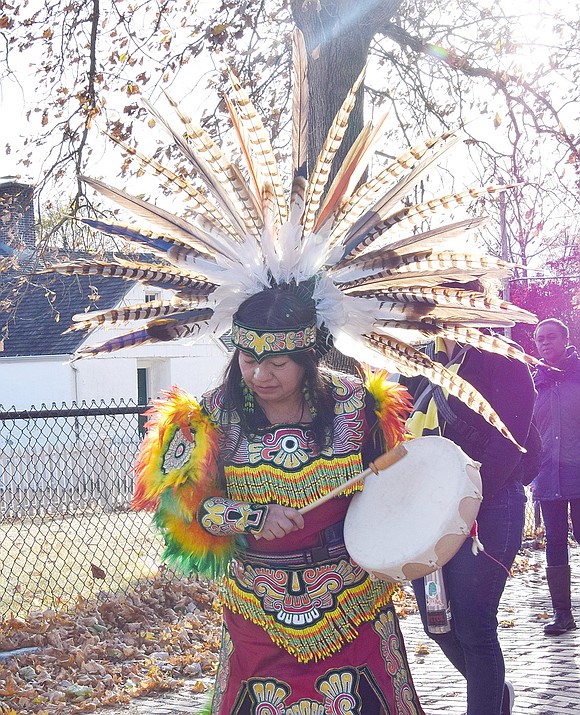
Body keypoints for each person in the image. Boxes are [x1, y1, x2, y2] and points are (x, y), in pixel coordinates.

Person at [133, 284, 425, 715]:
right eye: (249, 361)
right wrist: (251, 516)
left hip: (354, 600)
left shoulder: (358, 404)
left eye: (278, 363)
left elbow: (392, 489)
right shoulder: (208, 416)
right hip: (257, 606)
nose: (259, 376)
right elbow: (183, 510)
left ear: (308, 359)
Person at [401, 332, 535, 715]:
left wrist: (464, 501)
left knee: (474, 627)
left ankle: (487, 703)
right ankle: (495, 690)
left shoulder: (503, 359)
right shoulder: (414, 360)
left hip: (490, 505)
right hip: (425, 509)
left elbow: (509, 443)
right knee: (436, 623)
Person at [532, 318, 580, 635]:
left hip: (579, 472)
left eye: (550, 337)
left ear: (565, 339)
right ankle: (562, 615)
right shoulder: (534, 381)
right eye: (539, 339)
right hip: (548, 475)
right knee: (555, 542)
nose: (544, 342)